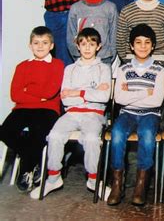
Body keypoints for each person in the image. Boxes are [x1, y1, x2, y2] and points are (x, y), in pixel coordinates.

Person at [30, 28, 112, 199]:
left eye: (91, 44)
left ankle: (93, 179)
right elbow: (65, 99)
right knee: (54, 136)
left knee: (91, 139)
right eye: (83, 44)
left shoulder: (104, 68)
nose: (87, 48)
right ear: (77, 46)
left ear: (99, 46)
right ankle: (53, 178)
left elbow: (104, 97)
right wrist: (91, 91)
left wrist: (78, 92)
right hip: (71, 113)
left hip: (94, 114)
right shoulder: (70, 69)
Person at [107, 24, 164, 206]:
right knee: (117, 134)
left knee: (147, 135)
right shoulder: (123, 69)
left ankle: (141, 185)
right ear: (132, 46)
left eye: (147, 42)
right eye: (138, 42)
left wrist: (131, 93)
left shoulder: (159, 70)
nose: (142, 46)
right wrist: (144, 92)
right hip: (127, 114)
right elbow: (119, 98)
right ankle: (117, 184)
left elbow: (156, 101)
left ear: (153, 46)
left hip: (151, 114)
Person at [0, 26, 64, 193]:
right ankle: (31, 162)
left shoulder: (57, 65)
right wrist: (38, 96)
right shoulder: (22, 66)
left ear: (51, 45)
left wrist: (28, 90)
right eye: (36, 43)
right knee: (4, 131)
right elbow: (15, 94)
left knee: (39, 132)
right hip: (22, 108)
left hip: (47, 109)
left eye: (44, 43)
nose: (40, 46)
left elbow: (50, 92)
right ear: (30, 45)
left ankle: (25, 170)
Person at [67, 0, 118, 65]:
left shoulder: (110, 8)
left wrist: (110, 55)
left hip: (104, 59)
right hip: (82, 60)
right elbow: (71, 36)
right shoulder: (75, 8)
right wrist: (78, 58)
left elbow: (114, 35)